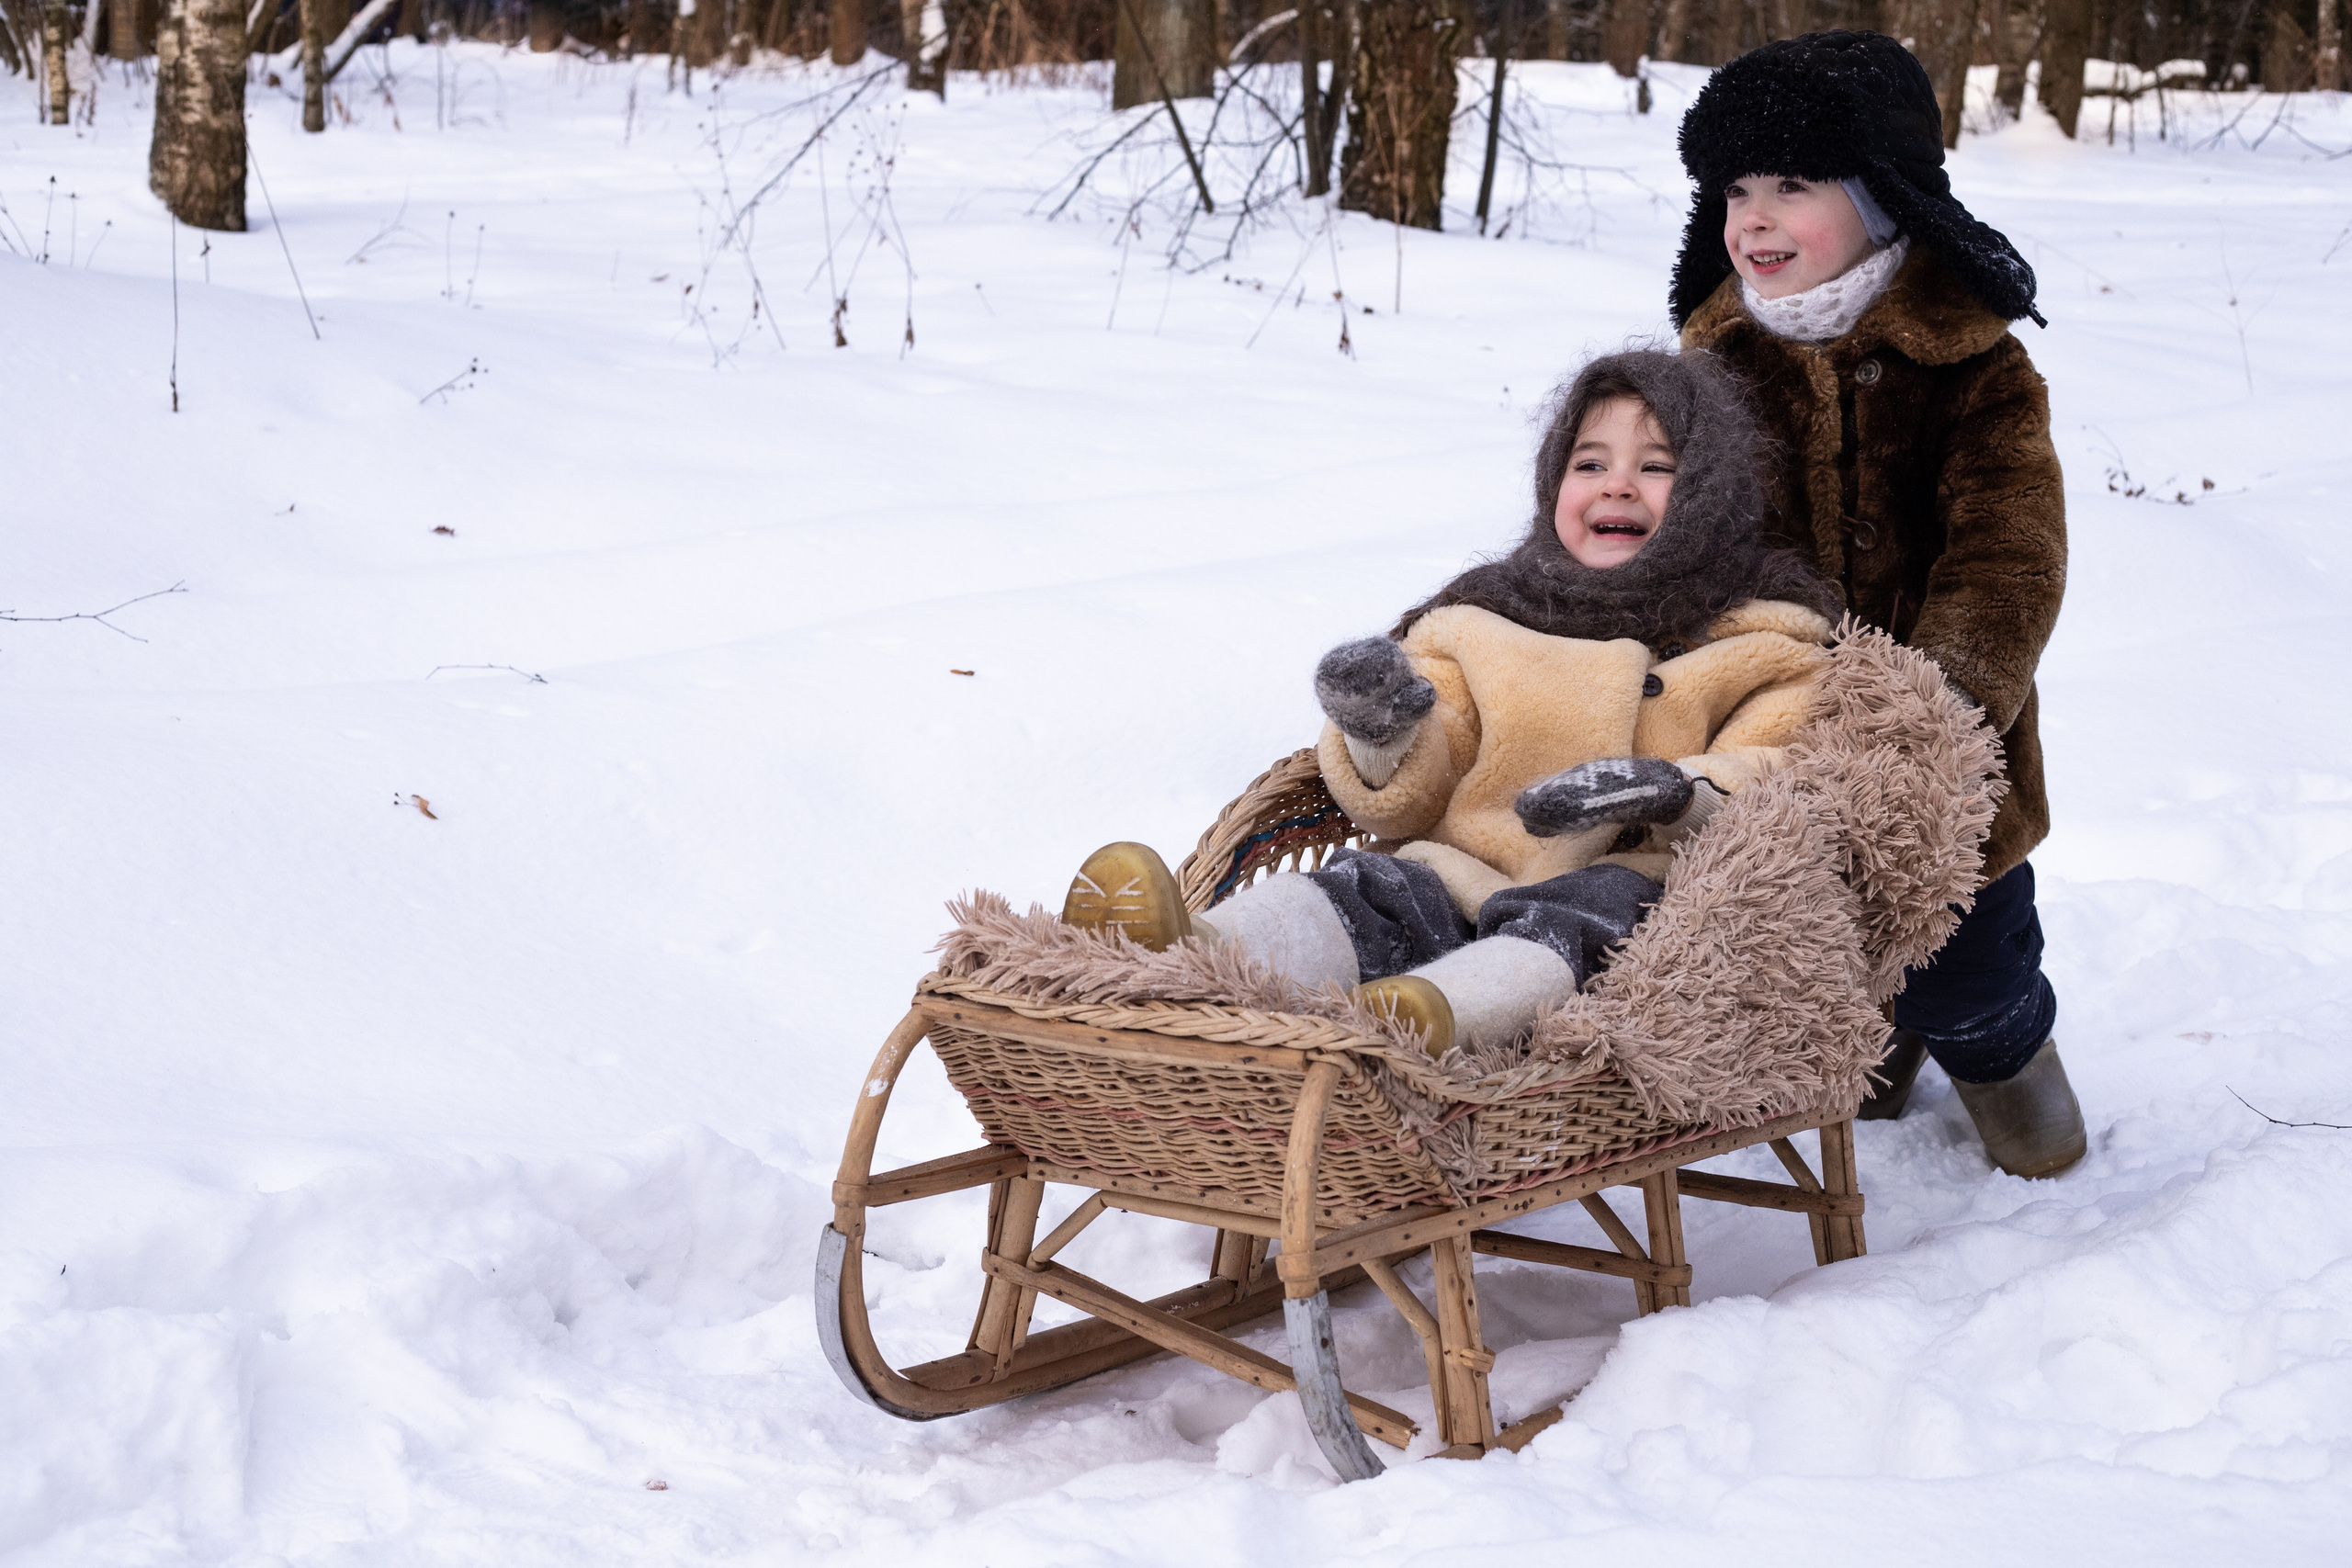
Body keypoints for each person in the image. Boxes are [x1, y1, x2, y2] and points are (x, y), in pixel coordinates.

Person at [1059, 348, 1843, 1060]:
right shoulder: (1482, 619)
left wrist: (1674, 789)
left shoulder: (1758, 640)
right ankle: (1193, 945)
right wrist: (1384, 729)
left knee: (1586, 919)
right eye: (1590, 462)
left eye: (1658, 467)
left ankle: (1436, 1014)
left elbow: (1782, 765)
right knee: (1367, 886)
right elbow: (1422, 785)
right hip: (1456, 870)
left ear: (1714, 494)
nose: (1617, 484)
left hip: (1628, 885)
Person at [1670, 30, 2080, 1178]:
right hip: (1771, 736)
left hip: (1943, 754)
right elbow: (1679, 538)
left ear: (1878, 192)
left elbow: (2010, 557)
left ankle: (2011, 1074)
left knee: (1966, 953)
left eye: (1791, 185)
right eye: (1734, 189)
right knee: (1825, 937)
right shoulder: (1715, 364)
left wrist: (1933, 711)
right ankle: (1878, 1049)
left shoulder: (1973, 368)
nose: (1752, 217)